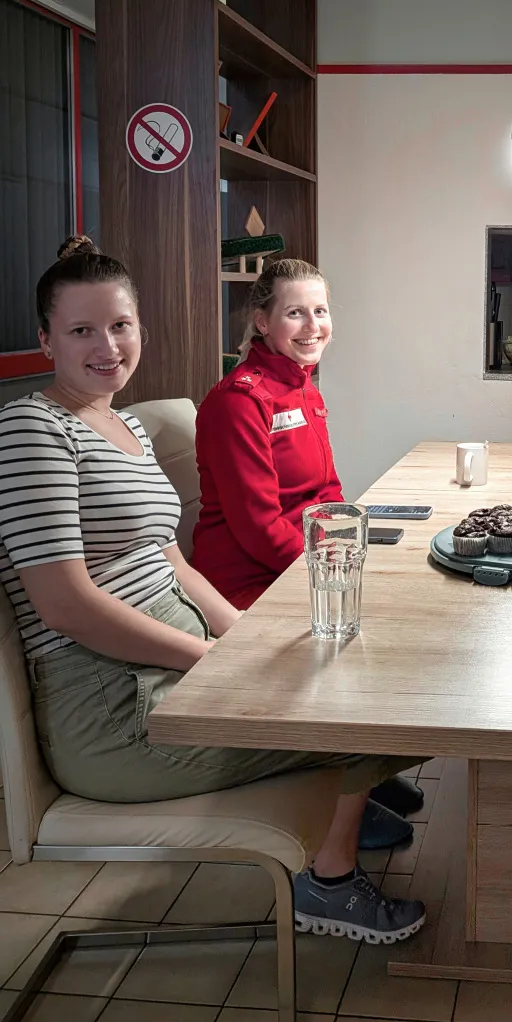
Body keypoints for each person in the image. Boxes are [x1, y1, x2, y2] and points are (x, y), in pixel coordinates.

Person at [0, 238, 427, 943]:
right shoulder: (30, 428)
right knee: (357, 718)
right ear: (45, 339)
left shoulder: (126, 426)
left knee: (361, 678)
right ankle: (328, 885)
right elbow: (65, 604)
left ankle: (335, 833)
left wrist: (244, 644)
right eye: (81, 330)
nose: (106, 345)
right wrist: (205, 662)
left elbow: (177, 567)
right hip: (115, 712)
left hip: (173, 672)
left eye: (120, 326)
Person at [192, 258, 424, 844]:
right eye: (295, 312)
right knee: (376, 635)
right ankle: (342, 779)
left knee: (413, 601)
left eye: (320, 311)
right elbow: (259, 529)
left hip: (301, 564)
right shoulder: (238, 401)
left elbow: (329, 496)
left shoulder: (304, 388)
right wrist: (333, 576)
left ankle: (358, 778)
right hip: (250, 583)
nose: (311, 325)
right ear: (262, 321)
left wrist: (353, 550)